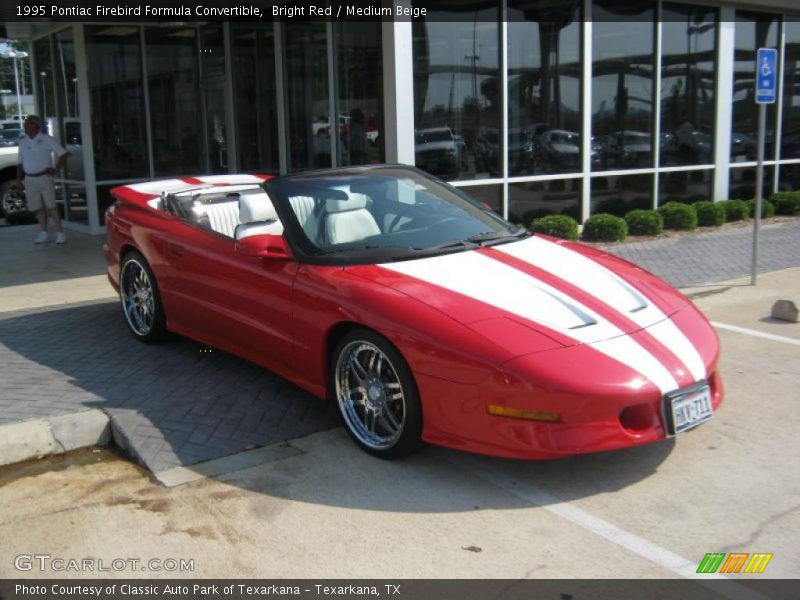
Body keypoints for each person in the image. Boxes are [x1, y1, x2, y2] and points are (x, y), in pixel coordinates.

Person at [16, 115, 68, 244]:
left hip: (44, 177)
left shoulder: (45, 139)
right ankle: (43, 233)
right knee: (37, 207)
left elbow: (63, 153)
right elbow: (19, 163)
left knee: (51, 206)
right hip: (29, 178)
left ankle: (60, 233)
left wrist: (55, 169)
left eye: (30, 123)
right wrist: (18, 180)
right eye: (26, 124)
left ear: (37, 126)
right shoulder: (22, 141)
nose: (27, 126)